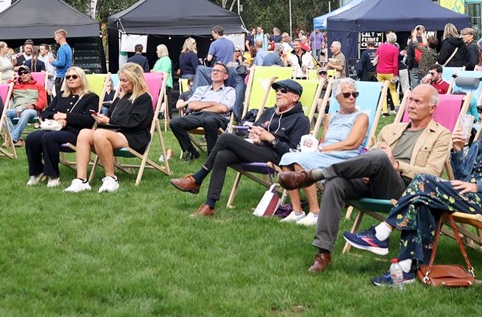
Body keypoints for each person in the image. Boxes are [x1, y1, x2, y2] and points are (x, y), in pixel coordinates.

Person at [340, 92, 482, 285]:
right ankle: (405, 269)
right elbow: (462, 177)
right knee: (421, 202)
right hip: (466, 195)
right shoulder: (479, 143)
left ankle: (383, 231)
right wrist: (457, 150)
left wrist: (477, 186)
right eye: (481, 109)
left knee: (423, 181)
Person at [276, 84, 453, 274]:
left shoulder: (441, 135)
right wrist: (366, 171)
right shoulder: (392, 129)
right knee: (336, 184)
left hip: (404, 190)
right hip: (372, 179)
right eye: (410, 99)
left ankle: (313, 175)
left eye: (418, 101)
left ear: (432, 108)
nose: (411, 105)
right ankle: (323, 253)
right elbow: (369, 157)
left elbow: (432, 174)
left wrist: (397, 165)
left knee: (380, 157)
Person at [169, 79, 309, 217]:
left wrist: (271, 139)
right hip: (256, 148)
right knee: (222, 155)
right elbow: (255, 128)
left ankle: (197, 179)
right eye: (277, 90)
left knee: (226, 138)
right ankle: (209, 205)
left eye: (283, 91)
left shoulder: (301, 120)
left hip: (276, 156)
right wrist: (254, 134)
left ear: (295, 97)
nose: (278, 93)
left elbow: (293, 152)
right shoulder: (270, 112)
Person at [276, 78, 370, 226]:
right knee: (287, 157)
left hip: (346, 157)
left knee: (303, 161)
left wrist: (322, 149)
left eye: (354, 94)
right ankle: (297, 211)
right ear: (337, 97)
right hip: (325, 154)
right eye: (346, 94)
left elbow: (352, 144)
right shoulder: (330, 117)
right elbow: (324, 140)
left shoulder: (361, 117)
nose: (351, 97)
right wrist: (314, 146)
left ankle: (315, 212)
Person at [64, 63, 154, 194]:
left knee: (100, 134)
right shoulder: (121, 97)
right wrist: (102, 119)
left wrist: (110, 121)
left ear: (135, 79)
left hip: (134, 136)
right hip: (114, 133)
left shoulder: (144, 98)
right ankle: (81, 180)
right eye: (121, 80)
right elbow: (111, 117)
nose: (121, 84)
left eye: (124, 80)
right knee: (84, 133)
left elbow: (137, 122)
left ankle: (111, 178)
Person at [24, 67, 99, 187]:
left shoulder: (91, 98)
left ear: (82, 78)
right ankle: (37, 172)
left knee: (49, 137)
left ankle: (53, 175)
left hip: (77, 134)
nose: (70, 79)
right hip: (56, 129)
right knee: (31, 138)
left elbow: (89, 119)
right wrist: (55, 117)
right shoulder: (61, 95)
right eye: (68, 77)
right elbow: (45, 113)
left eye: (74, 76)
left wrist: (67, 118)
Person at [170, 62, 236, 162]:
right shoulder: (201, 89)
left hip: (218, 118)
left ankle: (212, 155)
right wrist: (214, 103)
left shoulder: (229, 90)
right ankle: (192, 151)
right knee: (175, 122)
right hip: (198, 115)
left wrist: (202, 106)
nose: (215, 72)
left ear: (225, 76)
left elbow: (223, 108)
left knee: (209, 120)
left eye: (218, 71)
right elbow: (192, 105)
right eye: (213, 70)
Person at [5, 65, 47, 144]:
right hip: (17, 110)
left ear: (30, 74)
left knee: (26, 112)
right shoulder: (15, 86)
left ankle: (12, 139)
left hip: (32, 110)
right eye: (20, 73)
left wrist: (33, 105)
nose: (23, 75)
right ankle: (18, 139)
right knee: (4, 113)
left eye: (25, 72)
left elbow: (43, 101)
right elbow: (5, 96)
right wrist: (10, 83)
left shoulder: (38, 85)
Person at [376, 32, 401, 114]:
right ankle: (397, 107)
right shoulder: (395, 49)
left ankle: (384, 110)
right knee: (393, 90)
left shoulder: (380, 46)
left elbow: (376, 57)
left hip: (380, 71)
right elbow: (395, 64)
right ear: (395, 40)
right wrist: (395, 74)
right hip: (390, 72)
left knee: (383, 91)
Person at [153, 43, 175, 111]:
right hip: (159, 84)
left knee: (165, 102)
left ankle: (168, 116)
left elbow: (164, 71)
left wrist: (155, 72)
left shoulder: (166, 59)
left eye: (157, 50)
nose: (156, 52)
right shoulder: (159, 60)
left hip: (165, 84)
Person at [52, 30, 72, 95]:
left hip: (61, 77)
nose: (55, 39)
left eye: (55, 37)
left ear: (60, 36)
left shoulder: (62, 49)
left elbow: (61, 63)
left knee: (60, 97)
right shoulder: (68, 47)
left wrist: (52, 62)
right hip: (66, 76)